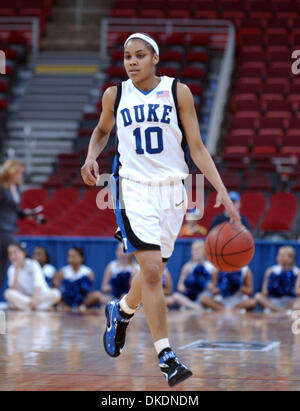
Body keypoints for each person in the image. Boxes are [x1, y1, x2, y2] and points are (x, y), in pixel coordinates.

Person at [81, 32, 241, 387]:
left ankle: (121, 311)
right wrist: (92, 156)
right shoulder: (115, 94)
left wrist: (223, 194)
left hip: (174, 193)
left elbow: (197, 148)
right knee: (153, 271)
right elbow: (101, 131)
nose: (132, 61)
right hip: (133, 189)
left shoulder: (177, 91)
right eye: (126, 56)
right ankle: (166, 355)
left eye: (139, 55)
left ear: (155, 58)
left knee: (152, 272)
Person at [0, 159, 42, 294]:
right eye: (18, 172)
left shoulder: (16, 188)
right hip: (2, 229)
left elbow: (14, 210)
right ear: (11, 171)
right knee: (19, 252)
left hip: (10, 228)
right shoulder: (1, 186)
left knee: (3, 263)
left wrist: (27, 214)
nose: (20, 175)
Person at [4, 242, 61, 311]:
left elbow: (38, 284)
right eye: (10, 254)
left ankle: (26, 307)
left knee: (56, 294)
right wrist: (16, 272)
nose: (12, 256)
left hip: (39, 296)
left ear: (24, 253)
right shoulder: (12, 269)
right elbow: (14, 290)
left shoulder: (33, 264)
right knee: (8, 293)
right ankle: (39, 308)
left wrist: (35, 299)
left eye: (15, 253)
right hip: (25, 298)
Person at [167, 240, 214, 310]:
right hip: (190, 297)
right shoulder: (187, 267)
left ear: (204, 251)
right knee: (175, 296)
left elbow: (214, 287)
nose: (195, 252)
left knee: (206, 298)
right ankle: (197, 308)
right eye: (193, 249)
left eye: (198, 249)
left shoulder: (211, 267)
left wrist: (204, 284)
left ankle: (196, 306)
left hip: (204, 295)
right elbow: (180, 286)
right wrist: (189, 288)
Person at [54, 247, 101, 311]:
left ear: (81, 258)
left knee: (97, 295)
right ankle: (67, 307)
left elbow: (90, 290)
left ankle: (81, 306)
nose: (71, 259)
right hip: (67, 299)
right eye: (69, 256)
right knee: (55, 294)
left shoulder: (88, 272)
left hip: (82, 300)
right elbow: (58, 288)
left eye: (74, 256)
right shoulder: (63, 271)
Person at [255, 246, 300, 313]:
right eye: (279, 254)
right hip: (275, 301)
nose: (280, 257)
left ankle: (285, 310)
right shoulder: (271, 270)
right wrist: (270, 282)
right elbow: (264, 292)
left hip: (290, 301)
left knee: (298, 304)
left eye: (283, 255)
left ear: (291, 258)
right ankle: (280, 311)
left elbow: (297, 292)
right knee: (258, 296)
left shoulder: (297, 272)